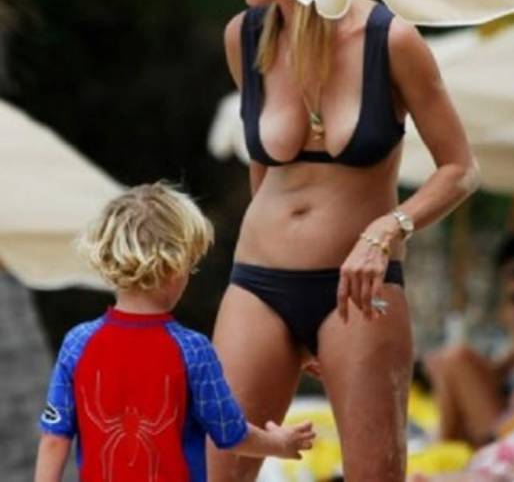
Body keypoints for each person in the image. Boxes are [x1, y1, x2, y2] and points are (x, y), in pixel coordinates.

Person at [208, 0, 479, 482]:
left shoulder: (391, 41)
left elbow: (460, 168)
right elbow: (263, 169)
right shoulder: (244, 38)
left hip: (357, 288)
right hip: (258, 284)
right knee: (218, 471)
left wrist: (389, 228)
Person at [34, 181, 315, 482]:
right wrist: (279, 444)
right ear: (175, 267)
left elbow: (54, 438)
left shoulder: (77, 343)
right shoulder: (193, 349)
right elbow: (230, 433)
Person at [424, 234, 514, 448]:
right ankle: (443, 444)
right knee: (449, 360)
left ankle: (443, 445)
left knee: (455, 359)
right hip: (502, 427)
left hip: (505, 435)